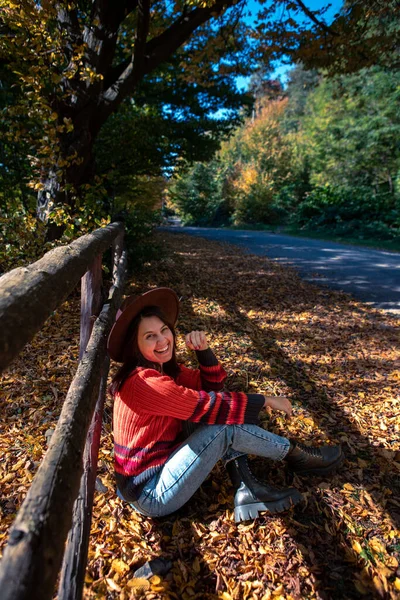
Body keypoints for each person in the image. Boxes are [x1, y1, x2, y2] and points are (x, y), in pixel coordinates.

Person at [108, 288, 344, 523]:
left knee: (222, 412)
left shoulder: (160, 370)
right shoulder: (144, 383)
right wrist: (265, 400)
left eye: (164, 330)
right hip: (150, 494)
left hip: (156, 473)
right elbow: (211, 406)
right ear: (134, 345)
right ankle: (297, 455)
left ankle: (246, 487)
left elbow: (214, 387)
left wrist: (204, 352)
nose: (162, 340)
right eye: (149, 336)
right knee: (224, 426)